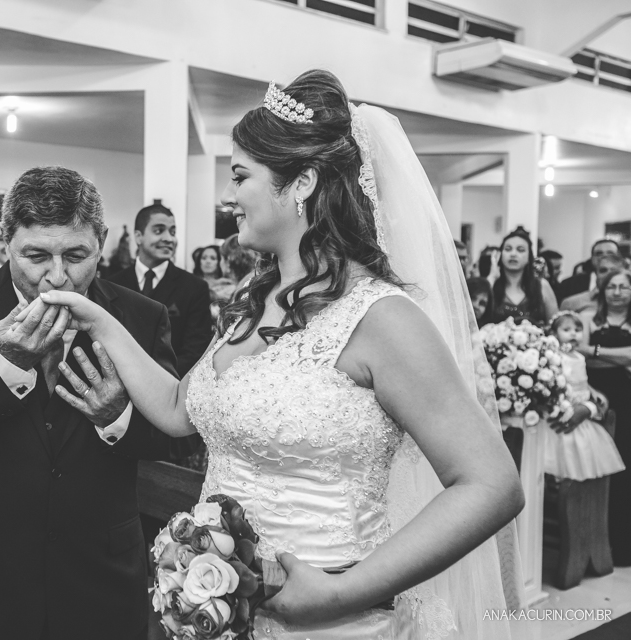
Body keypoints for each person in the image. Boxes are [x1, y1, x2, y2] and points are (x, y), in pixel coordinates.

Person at [43, 71, 525, 639]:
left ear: (302, 184)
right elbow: (178, 407)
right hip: (229, 614)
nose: (228, 196)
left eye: (241, 176)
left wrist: (344, 590)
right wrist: (95, 316)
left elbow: (491, 485)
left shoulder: (381, 318)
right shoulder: (254, 300)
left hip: (334, 619)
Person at [0, 166, 196, 640]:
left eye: (76, 255)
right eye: (35, 255)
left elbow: (178, 442)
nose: (57, 276)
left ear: (102, 240)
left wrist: (117, 417)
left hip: (102, 581)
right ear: (4, 240)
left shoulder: (141, 316)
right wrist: (0, 368)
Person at [109, 200, 213, 378]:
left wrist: (154, 381)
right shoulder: (113, 284)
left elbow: (195, 350)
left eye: (173, 232)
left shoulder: (194, 287)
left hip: (170, 385)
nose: (169, 238)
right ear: (138, 236)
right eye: (159, 230)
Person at [577, 268, 631, 567]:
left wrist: (595, 350)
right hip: (595, 397)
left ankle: (623, 546)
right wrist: (618, 355)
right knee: (597, 471)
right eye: (612, 286)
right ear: (603, 289)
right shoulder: (587, 319)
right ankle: (594, 544)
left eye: (625, 286)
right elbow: (579, 354)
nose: (618, 292)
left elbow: (588, 350)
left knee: (625, 470)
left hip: (627, 400)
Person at [543, 311, 624, 481]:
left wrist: (591, 394)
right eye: (567, 329)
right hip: (562, 406)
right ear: (553, 334)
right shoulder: (554, 356)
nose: (573, 333)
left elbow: (583, 382)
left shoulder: (579, 357)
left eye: (578, 329)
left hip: (582, 408)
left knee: (582, 452)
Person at [491, 226, 558, 325]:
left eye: (520, 250)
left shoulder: (541, 286)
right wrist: (492, 277)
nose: (513, 254)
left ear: (529, 257)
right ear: (500, 255)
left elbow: (555, 325)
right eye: (508, 249)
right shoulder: (491, 284)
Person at [210, 233, 258, 303]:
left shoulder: (245, 289)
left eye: (221, 258)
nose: (219, 263)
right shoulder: (253, 281)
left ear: (228, 262)